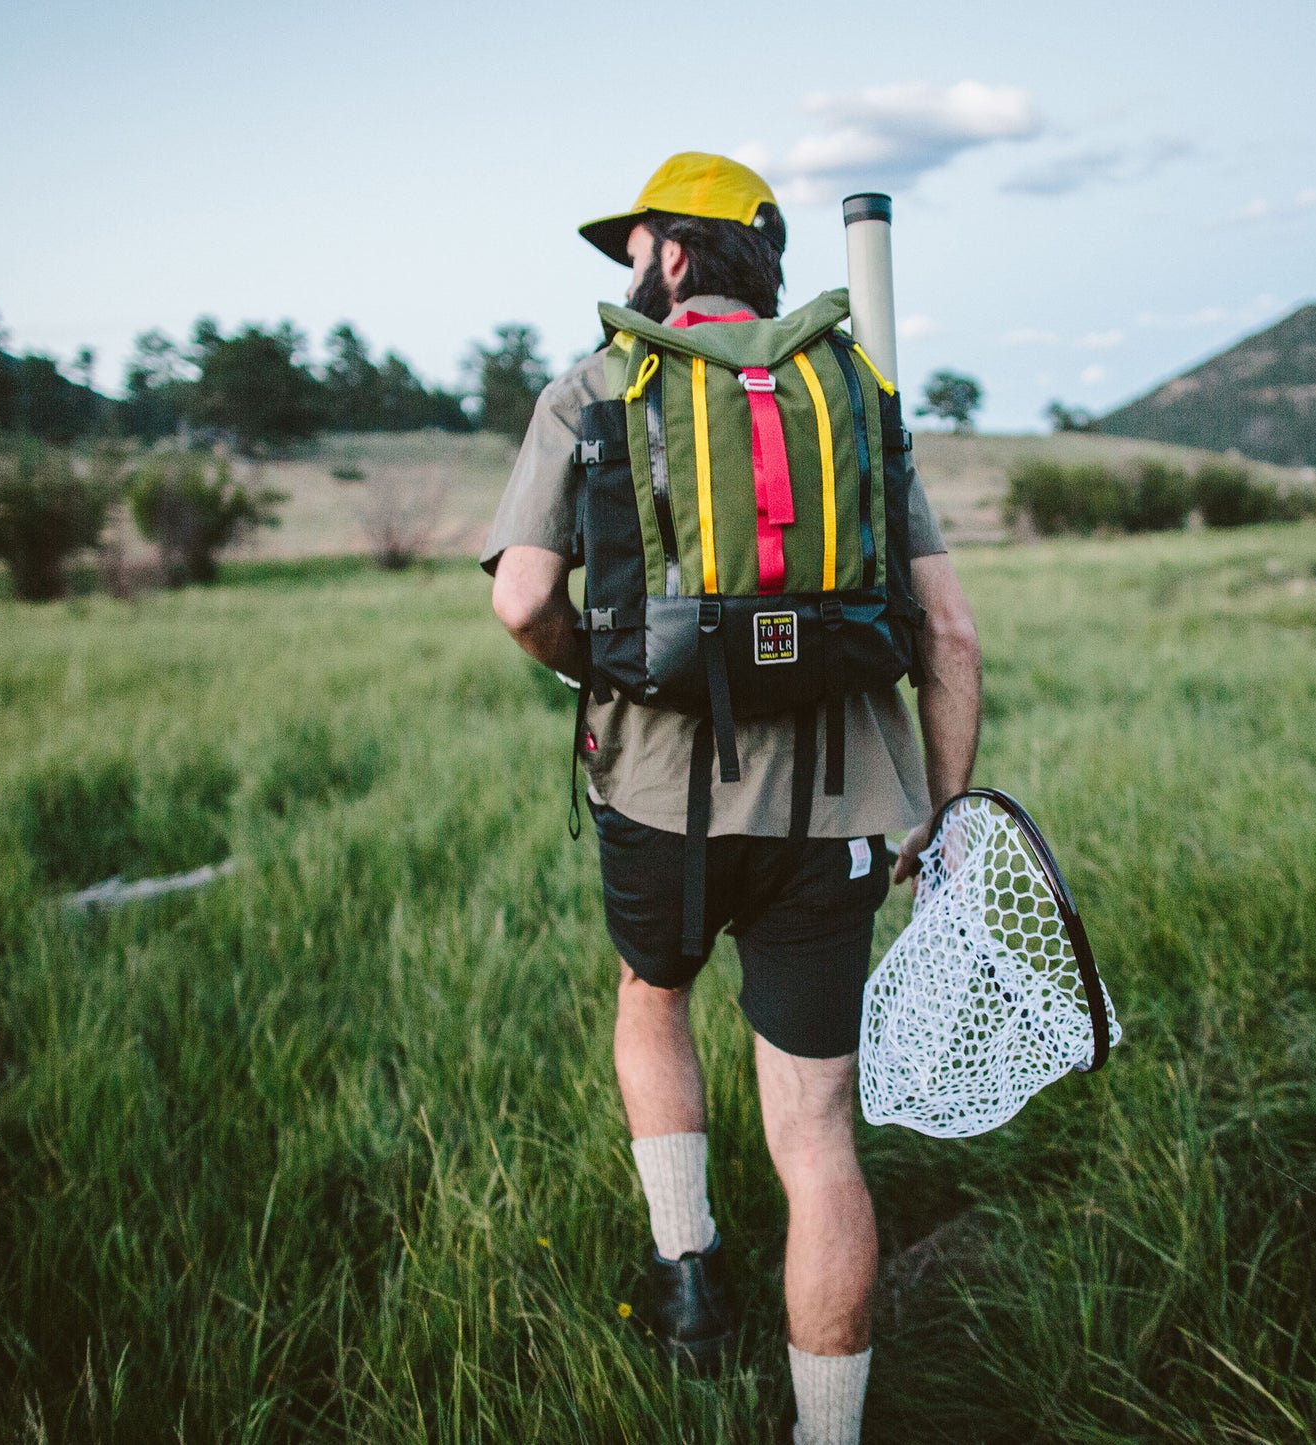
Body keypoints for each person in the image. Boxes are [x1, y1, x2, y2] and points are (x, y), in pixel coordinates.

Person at [481, 152, 982, 1445]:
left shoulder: (593, 388)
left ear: (681, 255)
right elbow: (950, 634)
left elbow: (522, 598)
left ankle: (687, 1272)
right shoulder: (855, 391)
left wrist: (604, 675)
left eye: (637, 244)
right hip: (840, 811)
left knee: (653, 997)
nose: (626, 269)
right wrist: (937, 808)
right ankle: (828, 1431)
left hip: (656, 798)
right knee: (816, 1131)